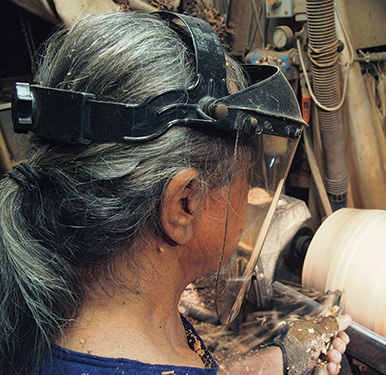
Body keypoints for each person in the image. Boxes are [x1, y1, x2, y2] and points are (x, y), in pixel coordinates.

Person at [0, 11, 351, 375]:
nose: (249, 196)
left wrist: (277, 361)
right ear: (184, 203)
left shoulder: (56, 309)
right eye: (247, 179)